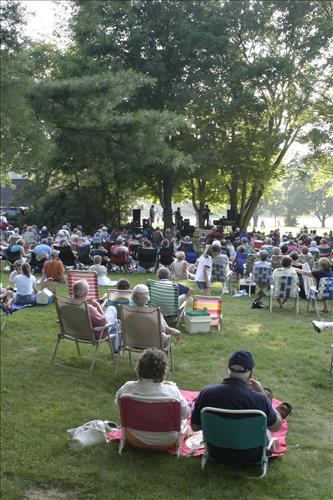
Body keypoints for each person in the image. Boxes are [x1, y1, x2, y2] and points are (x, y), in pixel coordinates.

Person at [191, 350, 291, 464]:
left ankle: (271, 412)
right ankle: (272, 411)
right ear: (250, 374)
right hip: (253, 455)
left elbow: (195, 427)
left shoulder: (206, 393)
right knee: (267, 426)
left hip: (216, 452)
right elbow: (275, 427)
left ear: (228, 369)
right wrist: (263, 394)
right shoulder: (260, 399)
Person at [115, 348, 190, 449]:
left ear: (139, 367)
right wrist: (174, 388)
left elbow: (119, 406)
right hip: (167, 441)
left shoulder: (127, 388)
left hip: (133, 438)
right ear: (163, 369)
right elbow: (186, 414)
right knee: (186, 423)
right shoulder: (172, 393)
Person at [73, 280, 121, 352]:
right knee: (112, 309)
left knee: (115, 322)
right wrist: (97, 305)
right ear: (86, 293)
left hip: (76, 332)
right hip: (96, 334)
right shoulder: (88, 308)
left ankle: (116, 349)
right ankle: (116, 349)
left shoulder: (69, 305)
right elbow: (105, 322)